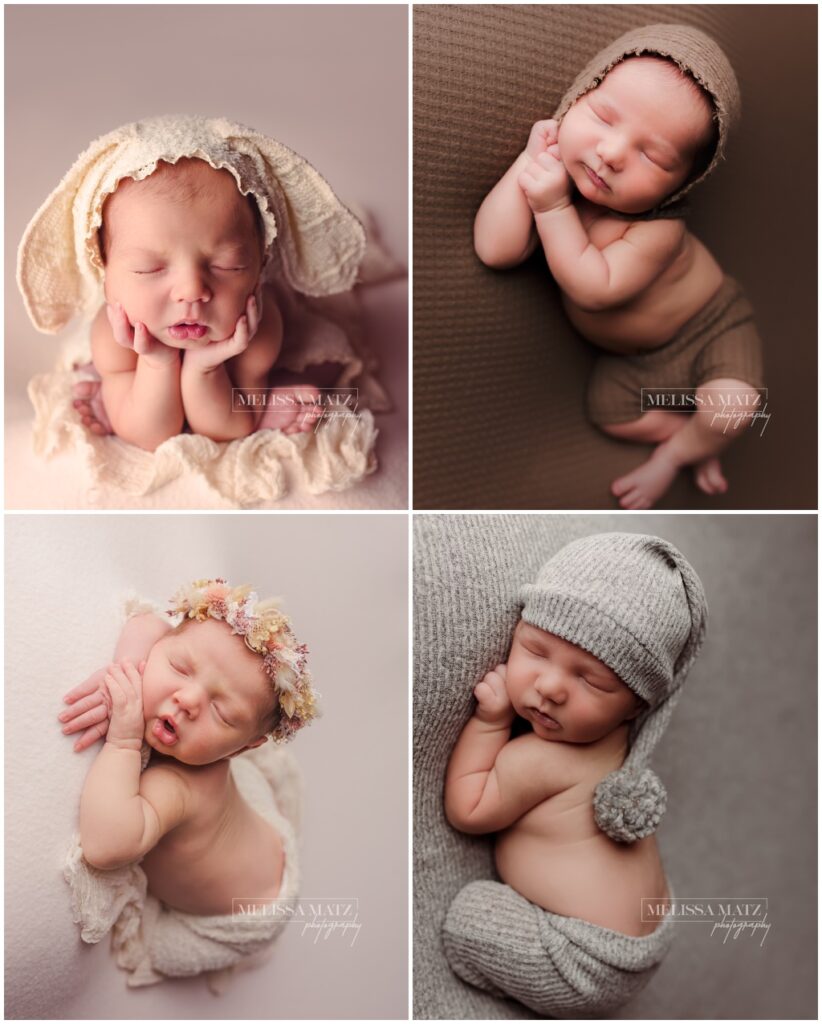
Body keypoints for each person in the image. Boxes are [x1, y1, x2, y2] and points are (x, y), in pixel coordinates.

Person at [475, 25, 765, 508]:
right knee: (608, 413)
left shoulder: (659, 230)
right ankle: (699, 437)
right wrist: (528, 164)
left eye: (651, 155)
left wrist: (550, 210)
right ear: (576, 99)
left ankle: (677, 454)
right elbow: (496, 250)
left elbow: (595, 287)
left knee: (736, 406)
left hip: (711, 326)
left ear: (682, 184)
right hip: (633, 362)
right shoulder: (558, 177)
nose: (610, 155)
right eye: (604, 118)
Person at [443, 533, 707, 1016]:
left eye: (591, 681)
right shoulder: (617, 749)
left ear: (636, 706)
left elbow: (468, 808)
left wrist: (491, 721)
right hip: (650, 933)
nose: (550, 687)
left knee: (469, 918)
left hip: (580, 958)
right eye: (536, 651)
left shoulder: (543, 759)